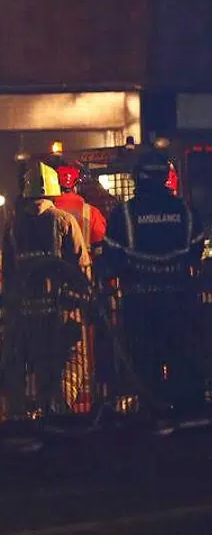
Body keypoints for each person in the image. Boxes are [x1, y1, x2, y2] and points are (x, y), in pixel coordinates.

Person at [102, 150, 207, 416]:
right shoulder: (185, 212)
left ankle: (153, 415)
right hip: (180, 301)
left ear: (138, 177)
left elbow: (111, 260)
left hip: (140, 304)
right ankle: (189, 416)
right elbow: (196, 252)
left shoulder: (123, 215)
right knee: (183, 358)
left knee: (145, 364)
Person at [1, 161, 90, 415]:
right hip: (61, 311)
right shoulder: (64, 221)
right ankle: (58, 407)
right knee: (74, 360)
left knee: (42, 366)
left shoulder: (13, 227)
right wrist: (85, 300)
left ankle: (41, 418)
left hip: (29, 313)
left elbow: (8, 273)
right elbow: (81, 268)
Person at [53, 162, 108, 259]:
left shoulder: (46, 211)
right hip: (83, 269)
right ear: (75, 187)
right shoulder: (91, 212)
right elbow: (101, 245)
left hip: (53, 270)